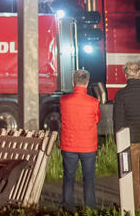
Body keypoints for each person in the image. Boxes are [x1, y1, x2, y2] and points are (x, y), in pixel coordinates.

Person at [59, 69, 99, 209]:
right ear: (87, 83)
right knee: (88, 179)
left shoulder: (64, 100)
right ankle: (90, 208)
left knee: (68, 178)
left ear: (73, 82)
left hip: (69, 146)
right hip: (88, 146)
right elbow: (96, 119)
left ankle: (67, 207)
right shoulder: (94, 102)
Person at [115, 61, 140, 213]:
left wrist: (118, 143)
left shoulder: (121, 95)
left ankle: (135, 208)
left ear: (126, 76)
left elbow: (118, 122)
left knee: (134, 178)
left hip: (131, 142)